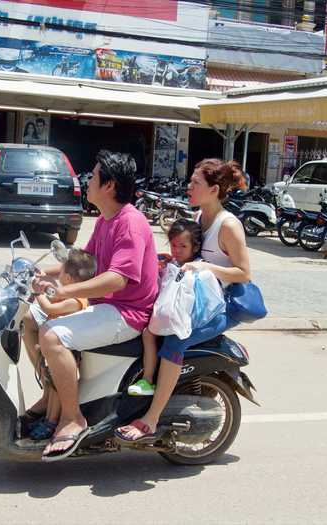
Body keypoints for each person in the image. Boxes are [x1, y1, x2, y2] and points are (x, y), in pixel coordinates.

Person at [32, 150, 159, 460]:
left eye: (94, 175)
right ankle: (51, 395)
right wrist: (38, 271)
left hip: (127, 313)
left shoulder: (129, 223)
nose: (86, 181)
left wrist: (63, 292)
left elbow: (118, 279)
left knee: (51, 335)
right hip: (107, 305)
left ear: (110, 186)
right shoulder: (107, 218)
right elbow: (85, 262)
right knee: (33, 317)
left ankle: (72, 417)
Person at [115, 158, 251, 443]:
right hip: (194, 300)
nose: (188, 187)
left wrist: (205, 267)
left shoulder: (228, 225)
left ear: (214, 190)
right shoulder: (200, 219)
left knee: (175, 338)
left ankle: (150, 420)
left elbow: (243, 273)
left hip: (219, 306)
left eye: (195, 183)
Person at [21, 248, 97, 440]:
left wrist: (37, 292)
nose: (59, 274)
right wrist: (42, 282)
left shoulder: (76, 300)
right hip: (53, 344)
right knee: (52, 381)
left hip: (66, 348)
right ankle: (48, 416)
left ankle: (51, 420)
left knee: (57, 385)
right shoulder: (68, 293)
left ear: (70, 279)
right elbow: (51, 294)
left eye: (61, 273)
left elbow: (49, 307)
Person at [127, 219, 202, 396]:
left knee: (148, 333)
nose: (176, 251)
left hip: (180, 318)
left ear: (195, 247)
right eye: (174, 245)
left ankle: (148, 379)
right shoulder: (173, 263)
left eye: (182, 246)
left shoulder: (196, 267)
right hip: (166, 313)